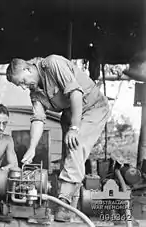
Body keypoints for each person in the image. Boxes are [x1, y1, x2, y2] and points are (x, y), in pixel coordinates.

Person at [6, 54, 111, 222]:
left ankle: (64, 202)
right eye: (21, 86)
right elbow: (38, 120)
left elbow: (76, 93)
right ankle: (71, 206)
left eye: (23, 82)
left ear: (27, 68)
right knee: (68, 158)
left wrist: (75, 128)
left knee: (75, 146)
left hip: (93, 107)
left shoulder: (52, 64)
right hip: (70, 114)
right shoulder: (35, 94)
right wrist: (32, 148)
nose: (25, 87)